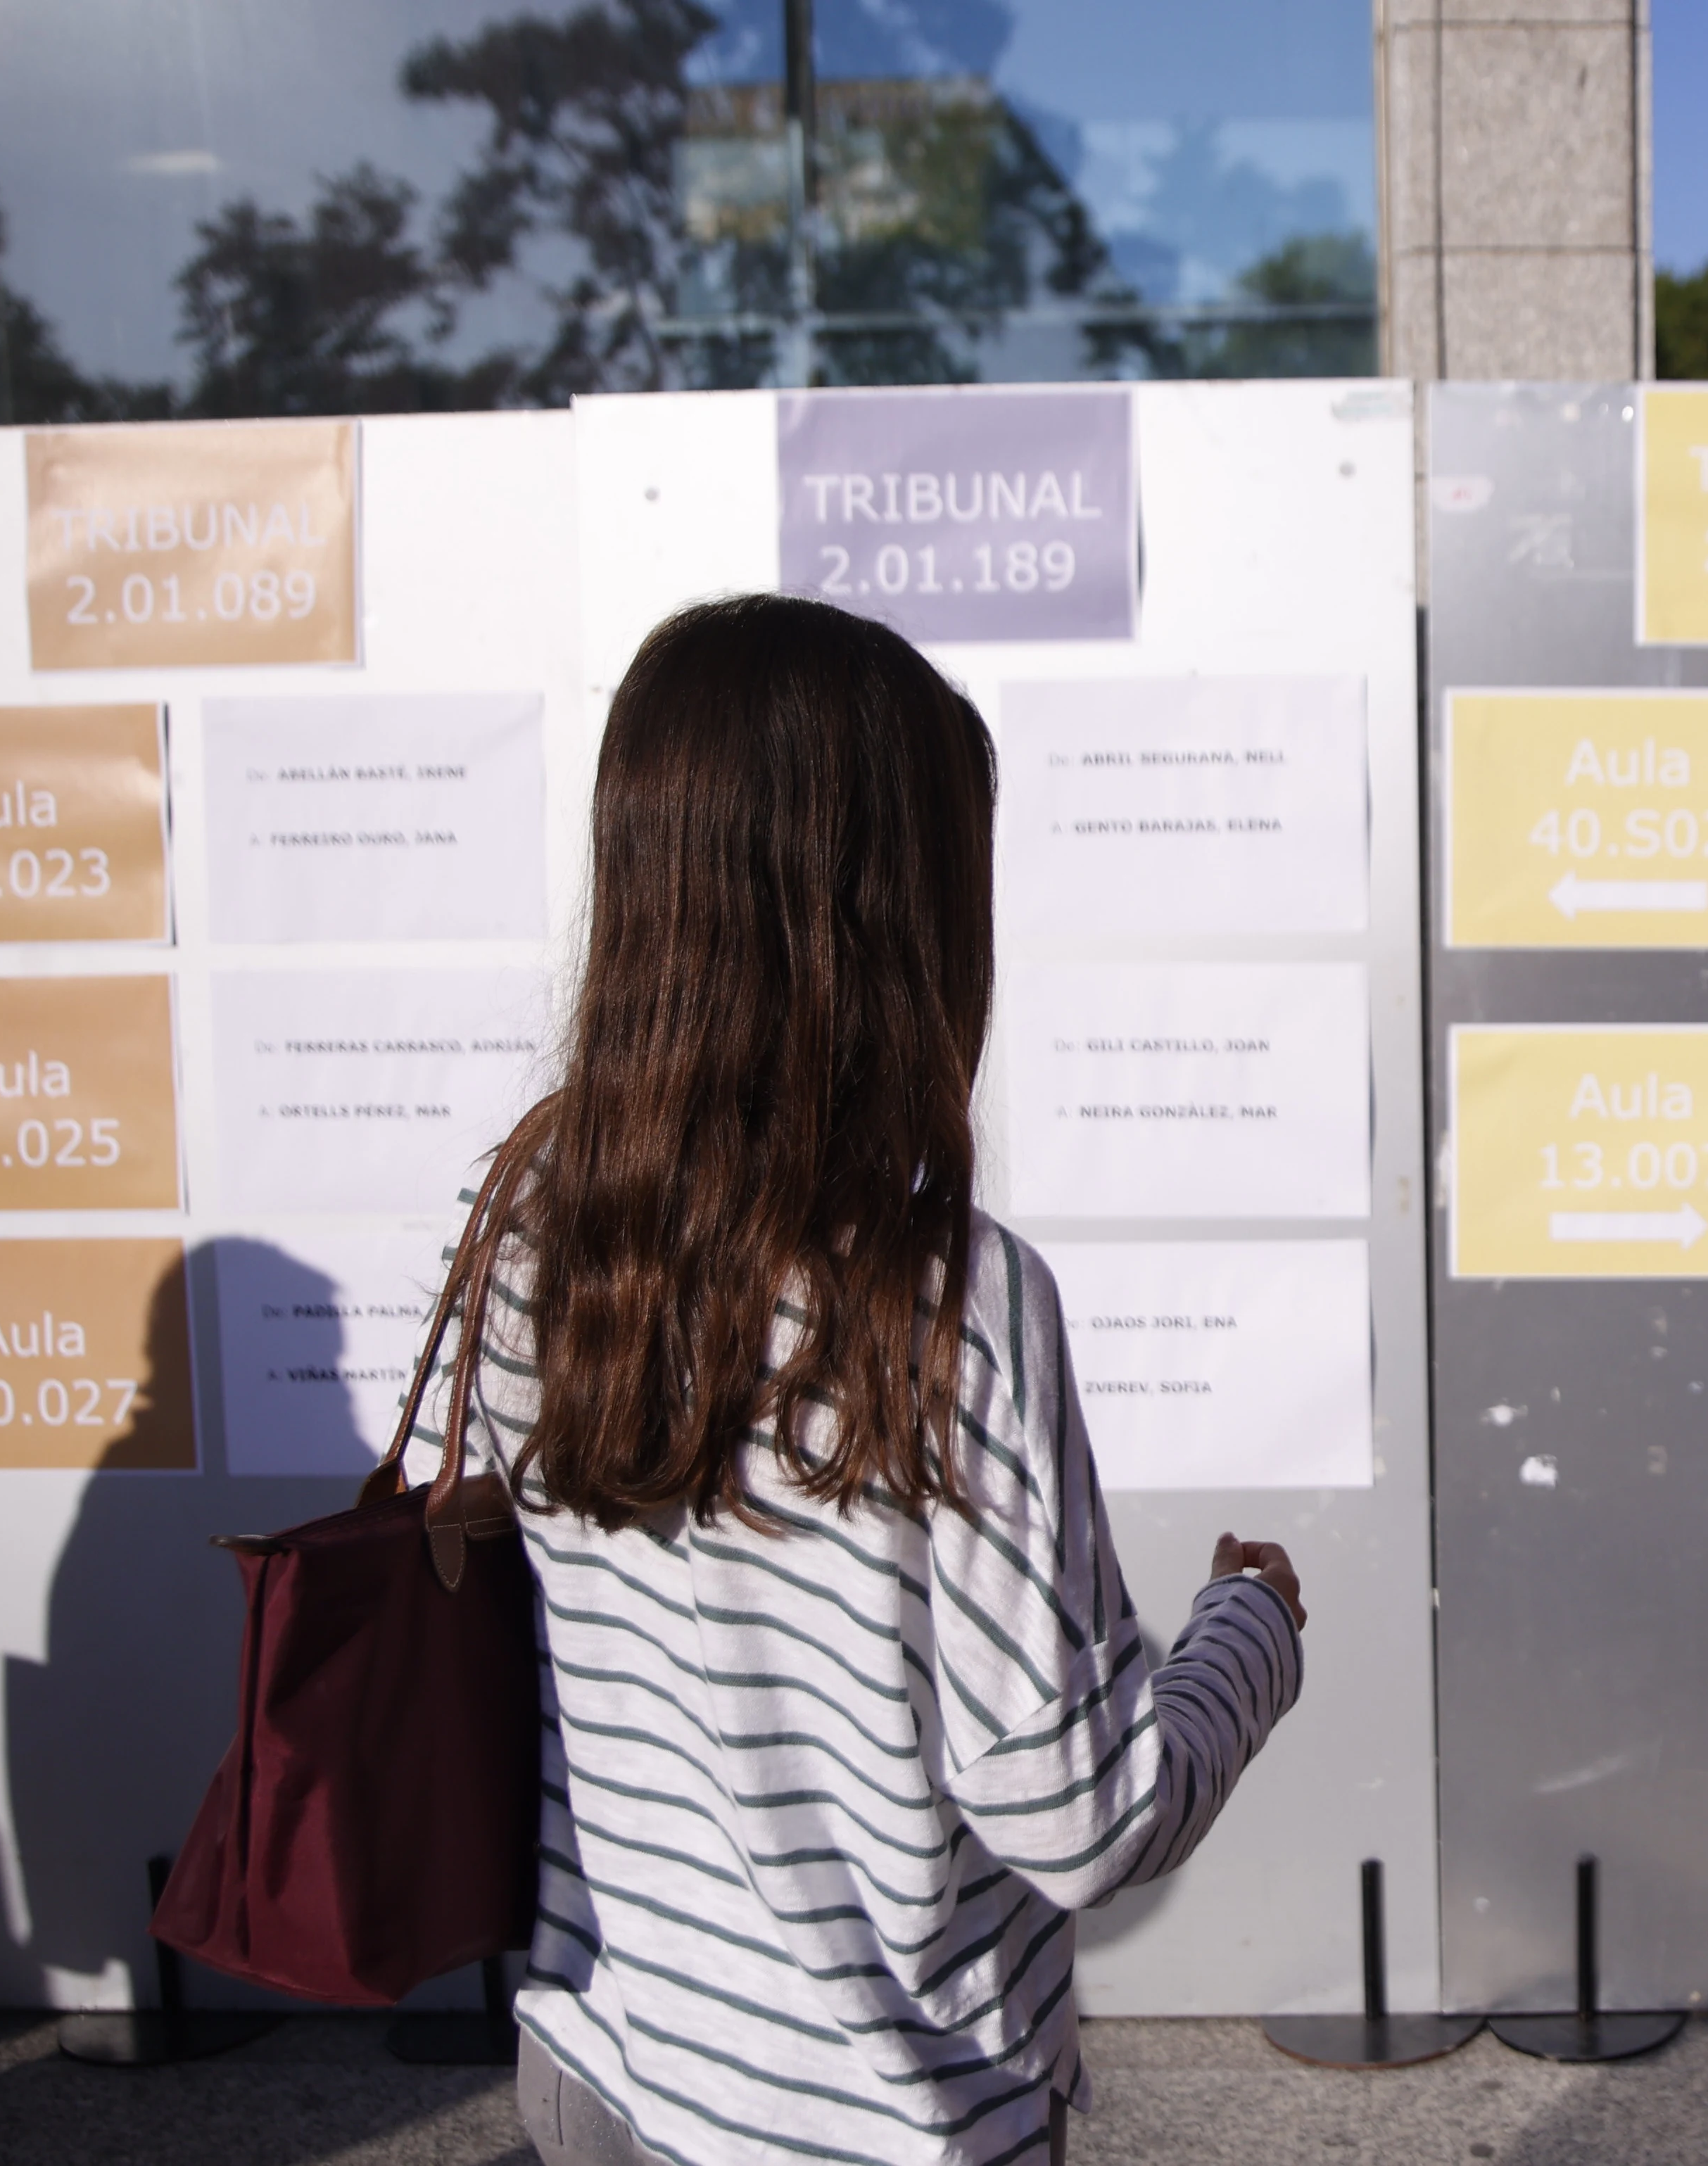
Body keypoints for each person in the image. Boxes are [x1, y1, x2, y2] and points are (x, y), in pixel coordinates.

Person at [426, 595, 1309, 2166]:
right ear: (888, 925)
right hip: (880, 2118)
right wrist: (1252, 1637)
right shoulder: (945, 1305)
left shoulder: (539, 1236)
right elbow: (1080, 1821)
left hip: (604, 2067)